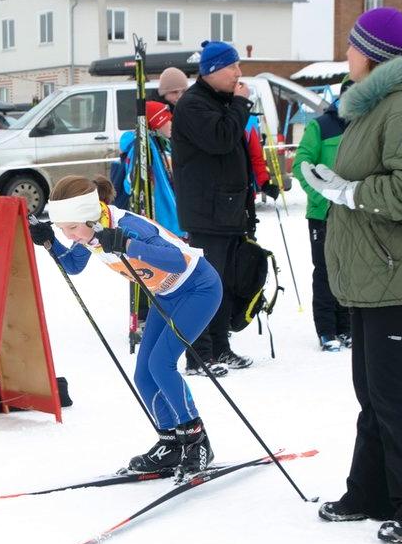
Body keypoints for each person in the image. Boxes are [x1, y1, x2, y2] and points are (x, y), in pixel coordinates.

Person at [300, 7, 402, 544]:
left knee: (395, 391)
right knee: (373, 389)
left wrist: (350, 192)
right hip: (377, 274)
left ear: (373, 54)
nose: (346, 56)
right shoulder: (376, 109)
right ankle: (371, 492)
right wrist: (335, 181)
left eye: (351, 47)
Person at [30, 176, 221, 478]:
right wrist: (49, 243)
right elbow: (74, 266)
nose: (70, 236)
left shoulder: (128, 226)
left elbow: (178, 260)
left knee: (162, 364)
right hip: (165, 295)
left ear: (90, 217)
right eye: (62, 230)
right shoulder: (90, 231)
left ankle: (196, 439)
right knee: (144, 374)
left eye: (71, 229)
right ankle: (171, 442)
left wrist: (127, 244)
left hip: (198, 288)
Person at [171, 40, 255, 375]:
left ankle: (220, 348)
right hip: (207, 212)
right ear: (212, 71)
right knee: (205, 285)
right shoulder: (194, 105)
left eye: (238, 66)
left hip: (229, 209)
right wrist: (240, 104)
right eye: (232, 67)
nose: (238, 74)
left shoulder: (220, 100)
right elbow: (221, 138)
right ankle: (198, 356)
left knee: (226, 284)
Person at [293, 78, 353, 351]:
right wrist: (323, 196)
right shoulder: (321, 125)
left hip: (355, 211)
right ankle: (327, 330)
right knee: (326, 270)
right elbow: (301, 164)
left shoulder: (367, 125)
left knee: (351, 270)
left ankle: (348, 326)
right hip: (323, 212)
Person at [110, 100, 180, 236]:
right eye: (166, 120)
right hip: (160, 215)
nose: (171, 124)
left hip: (168, 215)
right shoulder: (144, 146)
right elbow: (130, 182)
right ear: (156, 124)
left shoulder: (162, 143)